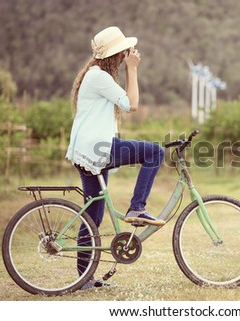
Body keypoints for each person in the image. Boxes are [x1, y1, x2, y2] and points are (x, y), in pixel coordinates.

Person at [65, 26, 165, 288]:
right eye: (122, 53)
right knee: (155, 152)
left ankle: (84, 278)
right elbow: (131, 104)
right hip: (97, 148)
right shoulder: (98, 77)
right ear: (114, 55)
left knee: (93, 217)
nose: (125, 56)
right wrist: (133, 69)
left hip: (90, 150)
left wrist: (129, 65)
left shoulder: (95, 74)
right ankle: (137, 207)